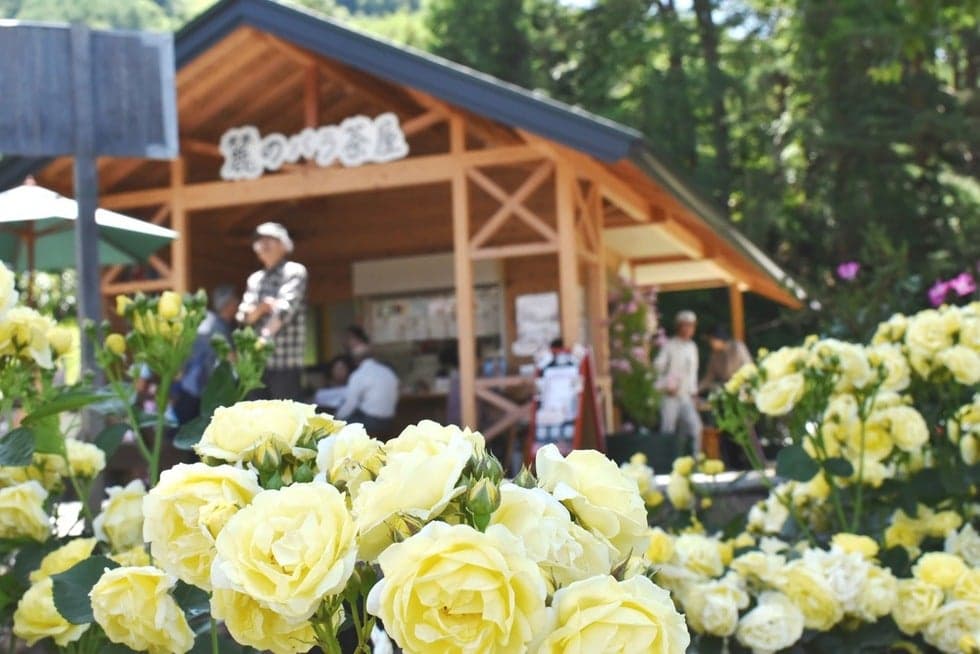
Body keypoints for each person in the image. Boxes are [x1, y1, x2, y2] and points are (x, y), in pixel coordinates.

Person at [237, 222, 307, 401]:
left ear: (284, 245)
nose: (264, 244)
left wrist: (263, 337)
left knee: (287, 421)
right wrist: (263, 307)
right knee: (258, 419)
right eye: (260, 240)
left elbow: (284, 310)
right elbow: (244, 317)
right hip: (257, 364)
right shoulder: (255, 279)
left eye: (270, 239)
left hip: (285, 364)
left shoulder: (294, 271)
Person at [171, 285, 239, 425]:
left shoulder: (207, 321)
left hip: (190, 384)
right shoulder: (219, 326)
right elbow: (231, 357)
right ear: (229, 304)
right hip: (202, 386)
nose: (238, 304)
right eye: (235, 301)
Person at [335, 326, 399, 436]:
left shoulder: (359, 375)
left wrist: (335, 419)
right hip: (389, 422)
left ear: (355, 361)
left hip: (370, 422)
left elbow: (349, 404)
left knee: (338, 426)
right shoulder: (388, 371)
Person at [654, 310, 703, 455]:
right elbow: (657, 368)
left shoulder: (692, 347)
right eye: (685, 325)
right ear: (679, 326)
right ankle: (666, 461)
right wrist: (665, 385)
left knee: (695, 427)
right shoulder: (670, 345)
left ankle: (695, 460)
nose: (688, 329)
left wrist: (694, 393)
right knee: (668, 429)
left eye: (691, 326)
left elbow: (693, 373)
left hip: (686, 396)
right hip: (670, 396)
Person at [699, 325, 753, 395]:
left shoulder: (737, 347)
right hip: (726, 390)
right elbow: (709, 377)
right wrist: (697, 389)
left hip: (743, 387)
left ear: (718, 338)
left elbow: (749, 367)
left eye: (710, 340)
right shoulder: (714, 355)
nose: (709, 343)